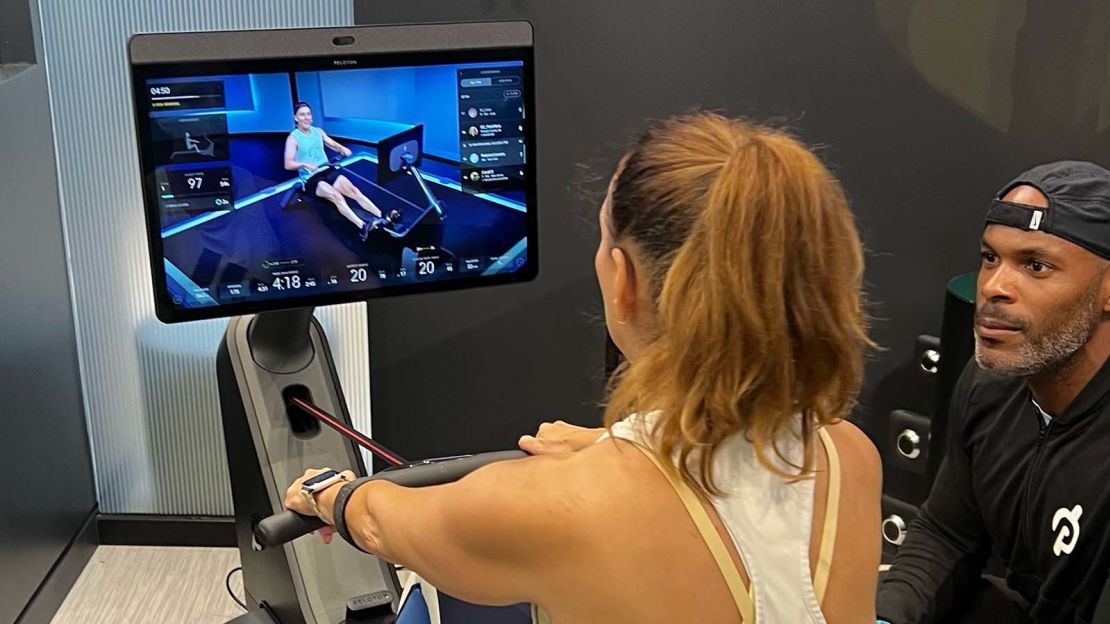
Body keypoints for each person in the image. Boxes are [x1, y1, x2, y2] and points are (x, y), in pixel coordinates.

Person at [285, 112, 883, 623]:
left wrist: (328, 494)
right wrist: (608, 449)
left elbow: (385, 523)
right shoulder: (851, 455)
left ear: (623, 282)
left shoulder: (552, 508)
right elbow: (740, 503)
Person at [877, 161, 1110, 624]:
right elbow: (947, 534)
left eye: (1035, 265)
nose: (995, 287)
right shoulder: (990, 385)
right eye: (990, 258)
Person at [284, 101, 386, 240]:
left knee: (354, 191)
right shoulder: (293, 138)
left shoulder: (318, 131)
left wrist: (342, 149)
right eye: (302, 115)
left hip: (327, 170)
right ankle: (363, 227)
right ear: (296, 118)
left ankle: (383, 217)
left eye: (308, 114)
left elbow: (332, 144)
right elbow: (288, 164)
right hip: (311, 179)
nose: (306, 117)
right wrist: (305, 164)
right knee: (336, 196)